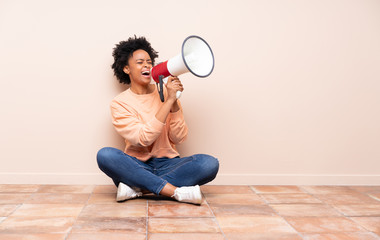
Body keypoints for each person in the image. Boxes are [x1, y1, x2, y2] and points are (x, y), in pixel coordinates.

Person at [97, 36, 219, 205]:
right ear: (126, 69)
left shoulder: (166, 93)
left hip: (169, 164)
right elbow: (143, 139)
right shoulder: (119, 103)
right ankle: (175, 192)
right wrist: (168, 102)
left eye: (149, 61)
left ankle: (138, 189)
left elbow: (179, 138)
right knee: (105, 155)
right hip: (136, 164)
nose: (147, 65)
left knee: (209, 164)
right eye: (140, 62)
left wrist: (174, 102)